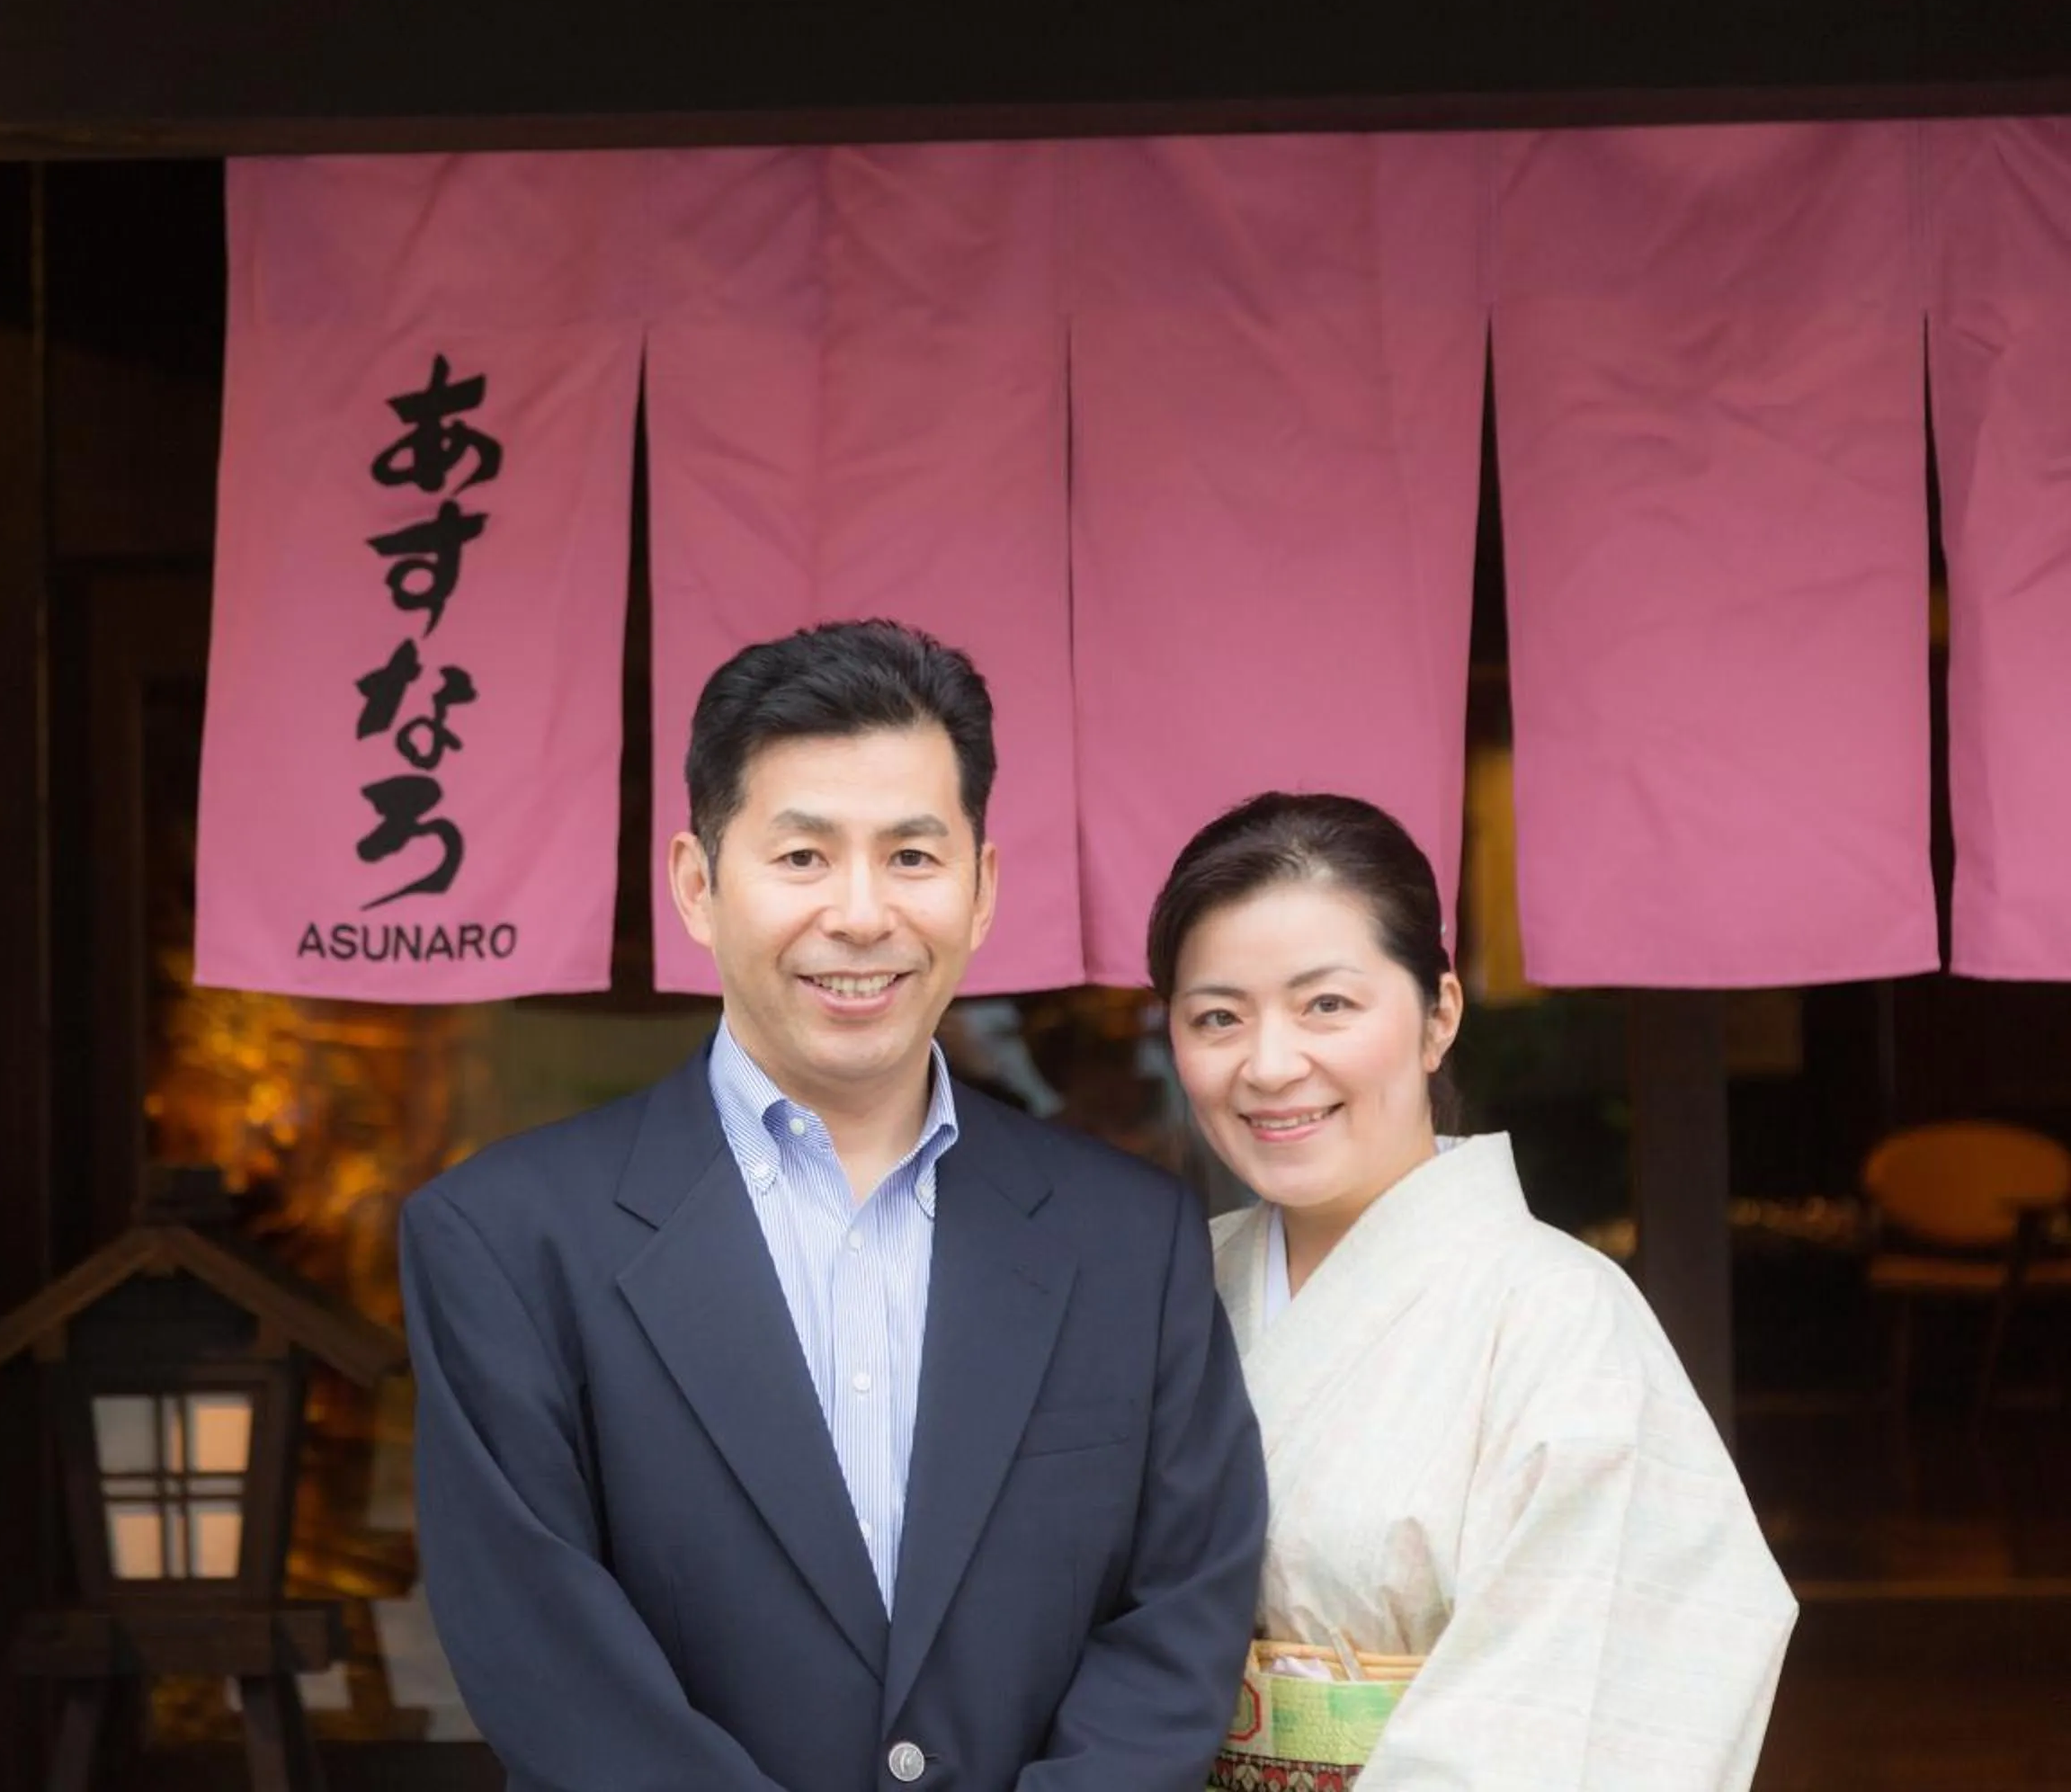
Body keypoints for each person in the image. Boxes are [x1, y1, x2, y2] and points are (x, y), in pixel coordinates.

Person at [402, 620, 1265, 1791]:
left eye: (912, 857)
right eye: (802, 858)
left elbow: (1180, 1615)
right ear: (697, 886)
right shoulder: (506, 1238)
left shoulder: (1131, 1241)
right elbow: (548, 1664)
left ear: (982, 888)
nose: (861, 916)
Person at [1150, 790, 1797, 1789]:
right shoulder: (1159, 1289)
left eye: (1328, 1003)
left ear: (1438, 1013)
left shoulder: (1559, 1315)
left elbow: (1589, 1702)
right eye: (1218, 1016)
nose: (1271, 1064)